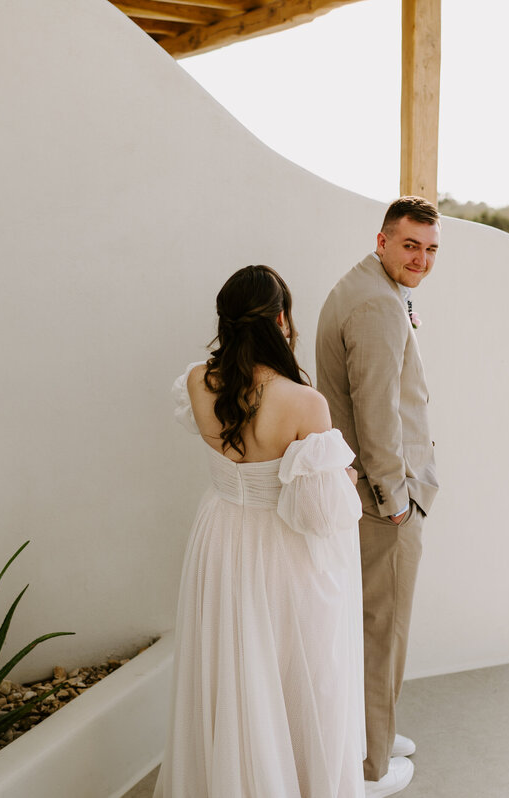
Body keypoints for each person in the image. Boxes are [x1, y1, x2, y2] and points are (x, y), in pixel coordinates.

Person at [155, 264, 366, 798]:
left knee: (230, 664)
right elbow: (319, 513)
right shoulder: (302, 401)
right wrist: (344, 476)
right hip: (281, 546)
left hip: (220, 533)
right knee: (299, 668)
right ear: (281, 319)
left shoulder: (199, 381)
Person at [315, 196, 441, 797]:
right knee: (381, 627)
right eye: (411, 245)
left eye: (431, 248)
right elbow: (377, 412)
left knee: (375, 622)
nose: (421, 258)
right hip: (382, 497)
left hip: (373, 491)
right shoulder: (374, 304)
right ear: (383, 240)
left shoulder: (375, 289)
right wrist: (394, 496)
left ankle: (377, 731)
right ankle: (370, 764)